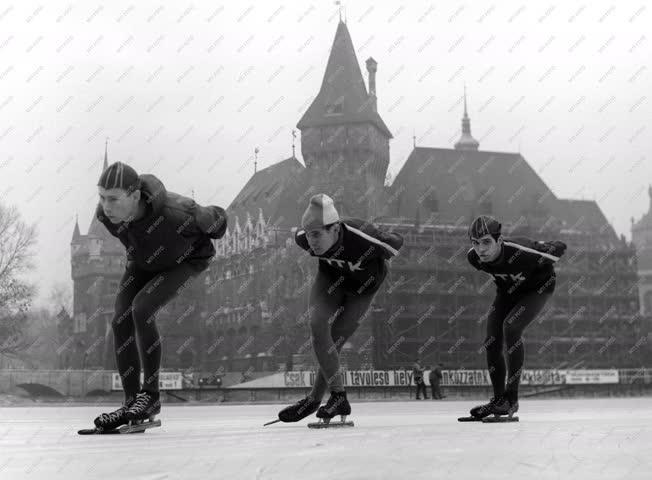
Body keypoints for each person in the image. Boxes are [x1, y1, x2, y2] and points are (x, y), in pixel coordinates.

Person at [90, 162, 227, 432]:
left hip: (185, 261)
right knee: (120, 321)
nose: (106, 207)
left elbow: (220, 221)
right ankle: (132, 404)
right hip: (143, 263)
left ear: (136, 196)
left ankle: (150, 396)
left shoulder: (179, 212)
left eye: (114, 199)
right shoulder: (106, 217)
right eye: (102, 197)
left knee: (142, 308)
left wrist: (207, 221)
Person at [277, 194, 403, 423]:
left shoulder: (364, 237)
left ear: (335, 229)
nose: (312, 241)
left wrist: (385, 236)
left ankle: (315, 399)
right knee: (317, 326)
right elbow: (304, 234)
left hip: (362, 291)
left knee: (335, 340)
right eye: (309, 234)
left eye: (317, 234)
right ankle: (336, 397)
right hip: (330, 283)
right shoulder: (304, 238)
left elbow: (396, 242)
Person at [466, 215, 566, 419]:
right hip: (507, 292)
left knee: (511, 328)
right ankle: (498, 400)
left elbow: (560, 247)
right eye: (476, 243)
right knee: (491, 340)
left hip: (537, 289)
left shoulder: (522, 251)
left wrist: (546, 247)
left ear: (499, 241)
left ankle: (512, 399)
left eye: (486, 242)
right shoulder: (474, 258)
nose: (481, 249)